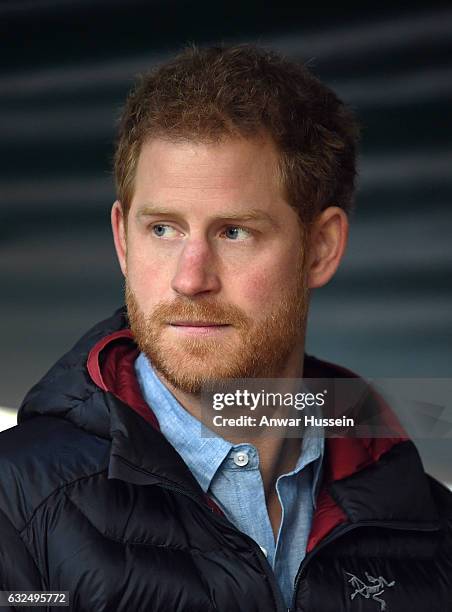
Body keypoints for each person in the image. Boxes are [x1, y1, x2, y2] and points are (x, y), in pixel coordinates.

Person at [0, 44, 450, 612]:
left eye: (234, 232)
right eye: (163, 229)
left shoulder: (427, 525)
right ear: (122, 239)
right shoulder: (13, 508)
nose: (191, 279)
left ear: (321, 247)